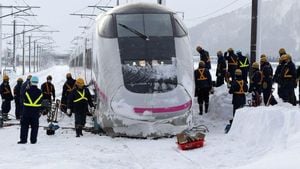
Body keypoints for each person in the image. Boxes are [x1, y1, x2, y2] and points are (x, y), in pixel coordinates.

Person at [18, 76, 43, 144]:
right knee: (35, 127)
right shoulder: (40, 92)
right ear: (37, 82)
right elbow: (41, 102)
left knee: (24, 126)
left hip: (26, 111)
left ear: (30, 82)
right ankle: (33, 140)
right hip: (35, 112)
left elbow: (22, 96)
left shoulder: (27, 91)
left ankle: (23, 140)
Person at [225, 69, 248, 133]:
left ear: (235, 75)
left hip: (236, 99)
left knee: (235, 113)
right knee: (242, 113)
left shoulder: (234, 82)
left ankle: (235, 126)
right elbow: (246, 90)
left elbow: (230, 91)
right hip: (243, 99)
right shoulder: (244, 82)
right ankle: (241, 125)